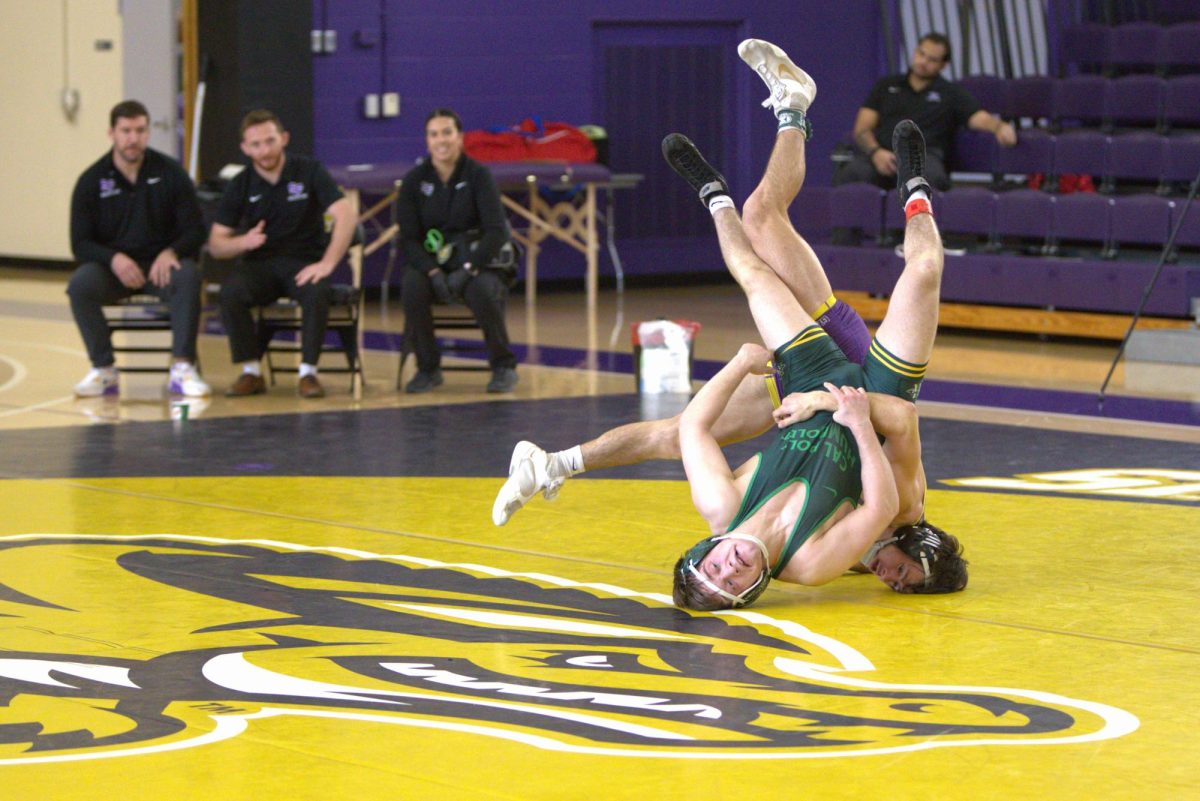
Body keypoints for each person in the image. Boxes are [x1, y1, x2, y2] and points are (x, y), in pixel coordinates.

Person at [494, 40, 967, 606]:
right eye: (901, 574)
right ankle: (896, 176)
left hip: (816, 385)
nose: (888, 577)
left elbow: (696, 435)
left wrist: (769, 376)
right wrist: (832, 409)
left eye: (892, 583)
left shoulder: (812, 550)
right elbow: (899, 425)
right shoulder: (896, 513)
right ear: (917, 547)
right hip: (860, 394)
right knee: (882, 257)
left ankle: (555, 463)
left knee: (685, 422)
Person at [67, 99, 209, 398]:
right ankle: (103, 369)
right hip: (114, 271)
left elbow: (197, 230)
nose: (133, 138)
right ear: (112, 134)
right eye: (126, 130)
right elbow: (80, 244)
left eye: (140, 130)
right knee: (80, 285)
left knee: (188, 276)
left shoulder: (171, 173)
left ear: (147, 133)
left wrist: (172, 250)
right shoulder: (91, 181)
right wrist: (113, 258)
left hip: (161, 268)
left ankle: (182, 368)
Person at [208, 109, 355, 399]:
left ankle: (308, 373)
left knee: (316, 291)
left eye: (270, 141)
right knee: (231, 294)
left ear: (284, 139)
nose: (264, 150)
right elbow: (216, 244)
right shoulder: (240, 184)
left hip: (303, 262)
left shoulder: (309, 170)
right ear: (245, 148)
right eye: (256, 144)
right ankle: (251, 372)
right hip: (260, 264)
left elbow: (346, 215)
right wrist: (242, 242)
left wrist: (327, 263)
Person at [396, 108, 519, 394]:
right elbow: (409, 238)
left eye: (447, 133)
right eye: (434, 134)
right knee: (413, 286)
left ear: (460, 137)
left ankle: (503, 366)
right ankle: (428, 368)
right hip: (432, 262)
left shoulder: (478, 175)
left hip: (476, 261)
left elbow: (496, 231)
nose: (442, 140)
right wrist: (433, 271)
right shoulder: (414, 180)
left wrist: (469, 269)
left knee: (481, 290)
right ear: (427, 141)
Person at [834, 32, 1017, 191]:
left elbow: (977, 117)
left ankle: (922, 231)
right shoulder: (886, 85)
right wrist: (875, 153)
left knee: (929, 179)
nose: (923, 62)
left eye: (932, 59)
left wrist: (999, 127)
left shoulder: (950, 93)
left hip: (923, 159)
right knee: (852, 174)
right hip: (883, 154)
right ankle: (847, 232)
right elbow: (862, 129)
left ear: (943, 65)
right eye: (921, 53)